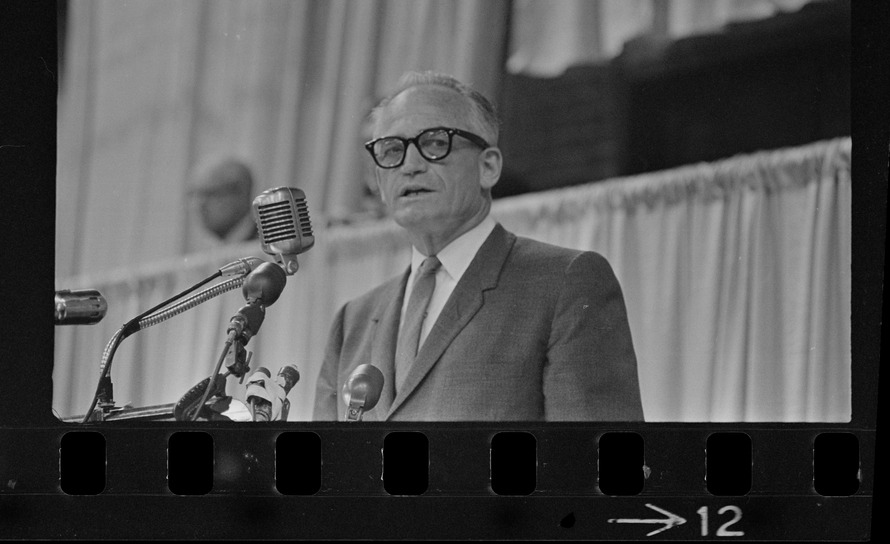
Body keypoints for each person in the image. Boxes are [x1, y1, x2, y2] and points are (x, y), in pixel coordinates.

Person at [313, 72, 644, 422]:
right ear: (379, 183)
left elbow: (596, 463)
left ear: (488, 167)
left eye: (436, 143)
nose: (410, 166)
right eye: (392, 150)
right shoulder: (353, 321)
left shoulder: (565, 284)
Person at [188, 156, 259, 244]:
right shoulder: (211, 249)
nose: (200, 205)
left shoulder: (270, 248)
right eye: (195, 195)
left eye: (210, 194)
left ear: (241, 194)